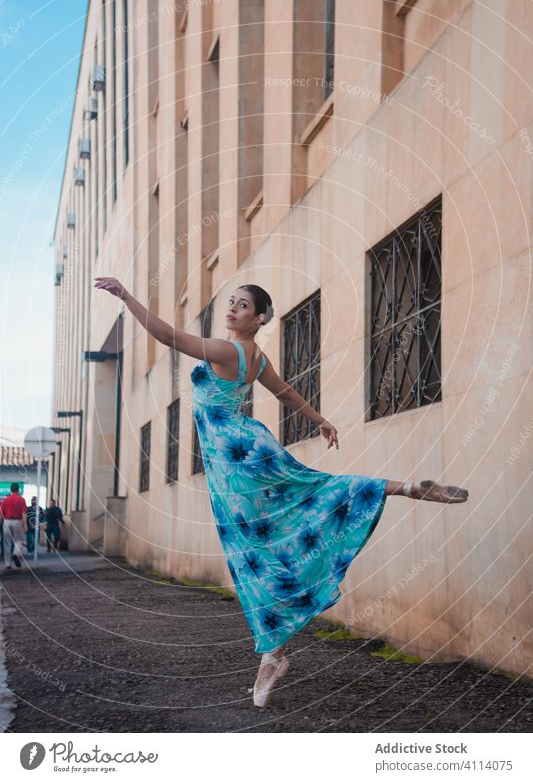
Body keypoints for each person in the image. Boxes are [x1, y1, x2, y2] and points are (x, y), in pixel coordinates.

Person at [94, 276, 469, 710]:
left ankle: (272, 655)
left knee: (252, 554)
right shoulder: (254, 358)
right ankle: (404, 487)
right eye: (231, 303)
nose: (232, 309)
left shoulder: (224, 350)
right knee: (309, 498)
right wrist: (321, 419)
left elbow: (165, 335)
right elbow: (285, 392)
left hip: (234, 464)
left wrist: (125, 296)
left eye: (243, 306)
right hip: (252, 447)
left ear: (258, 319)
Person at [0, 483, 28, 570]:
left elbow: (1, 514)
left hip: (7, 522)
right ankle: (16, 553)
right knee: (19, 541)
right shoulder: (21, 500)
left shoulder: (5, 500)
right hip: (18, 521)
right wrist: (25, 525)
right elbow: (24, 514)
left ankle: (8, 564)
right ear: (18, 490)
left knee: (7, 543)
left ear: (11, 490)